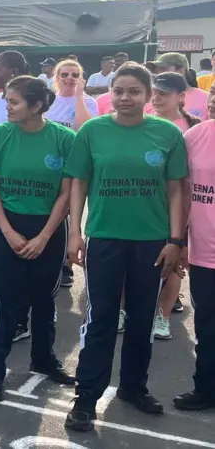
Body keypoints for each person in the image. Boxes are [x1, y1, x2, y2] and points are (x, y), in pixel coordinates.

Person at [63, 62, 188, 432]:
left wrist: (176, 241)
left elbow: (177, 189)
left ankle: (134, 386)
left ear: (149, 96)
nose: (125, 97)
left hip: (152, 241)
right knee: (100, 318)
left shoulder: (167, 134)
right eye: (118, 90)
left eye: (134, 91)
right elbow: (78, 183)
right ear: (109, 93)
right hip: (105, 237)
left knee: (140, 319)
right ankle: (86, 397)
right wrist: (75, 233)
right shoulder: (92, 131)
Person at [0, 76, 76, 402]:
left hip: (48, 226)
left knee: (44, 299)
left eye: (14, 102)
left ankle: (43, 359)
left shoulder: (63, 138)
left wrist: (45, 236)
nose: (7, 106)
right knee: (3, 300)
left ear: (36, 106)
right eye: (7, 100)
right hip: (5, 223)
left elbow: (66, 193)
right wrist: (6, 230)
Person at [145, 71, 202, 340]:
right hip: (147, 205)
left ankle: (163, 316)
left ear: (181, 97)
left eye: (163, 94)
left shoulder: (194, 128)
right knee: (142, 260)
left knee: (175, 262)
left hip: (185, 206)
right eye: (154, 92)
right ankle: (126, 309)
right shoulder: (142, 124)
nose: (156, 98)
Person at [174, 81, 215, 411]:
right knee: (207, 328)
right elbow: (181, 192)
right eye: (214, 94)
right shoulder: (196, 136)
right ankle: (206, 389)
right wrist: (180, 240)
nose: (214, 100)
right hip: (204, 253)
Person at [150, 53, 210, 120]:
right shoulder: (150, 99)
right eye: (156, 71)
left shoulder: (206, 98)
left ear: (181, 71)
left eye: (163, 69)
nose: (158, 74)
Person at [44, 60, 98, 132]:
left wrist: (79, 97)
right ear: (57, 78)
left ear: (80, 79)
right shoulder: (48, 99)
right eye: (64, 75)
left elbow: (87, 129)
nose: (70, 77)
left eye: (75, 75)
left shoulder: (88, 101)